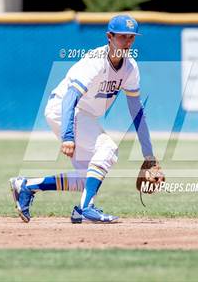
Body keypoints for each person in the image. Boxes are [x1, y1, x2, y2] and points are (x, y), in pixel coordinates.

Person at [9, 14, 156, 223]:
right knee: (108, 149)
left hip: (82, 115)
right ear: (109, 36)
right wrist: (68, 136)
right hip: (63, 108)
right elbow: (70, 97)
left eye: (131, 37)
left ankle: (27, 187)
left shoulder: (130, 68)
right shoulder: (96, 62)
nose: (127, 41)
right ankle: (87, 208)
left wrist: (149, 156)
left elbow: (137, 111)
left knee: (87, 178)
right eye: (122, 36)